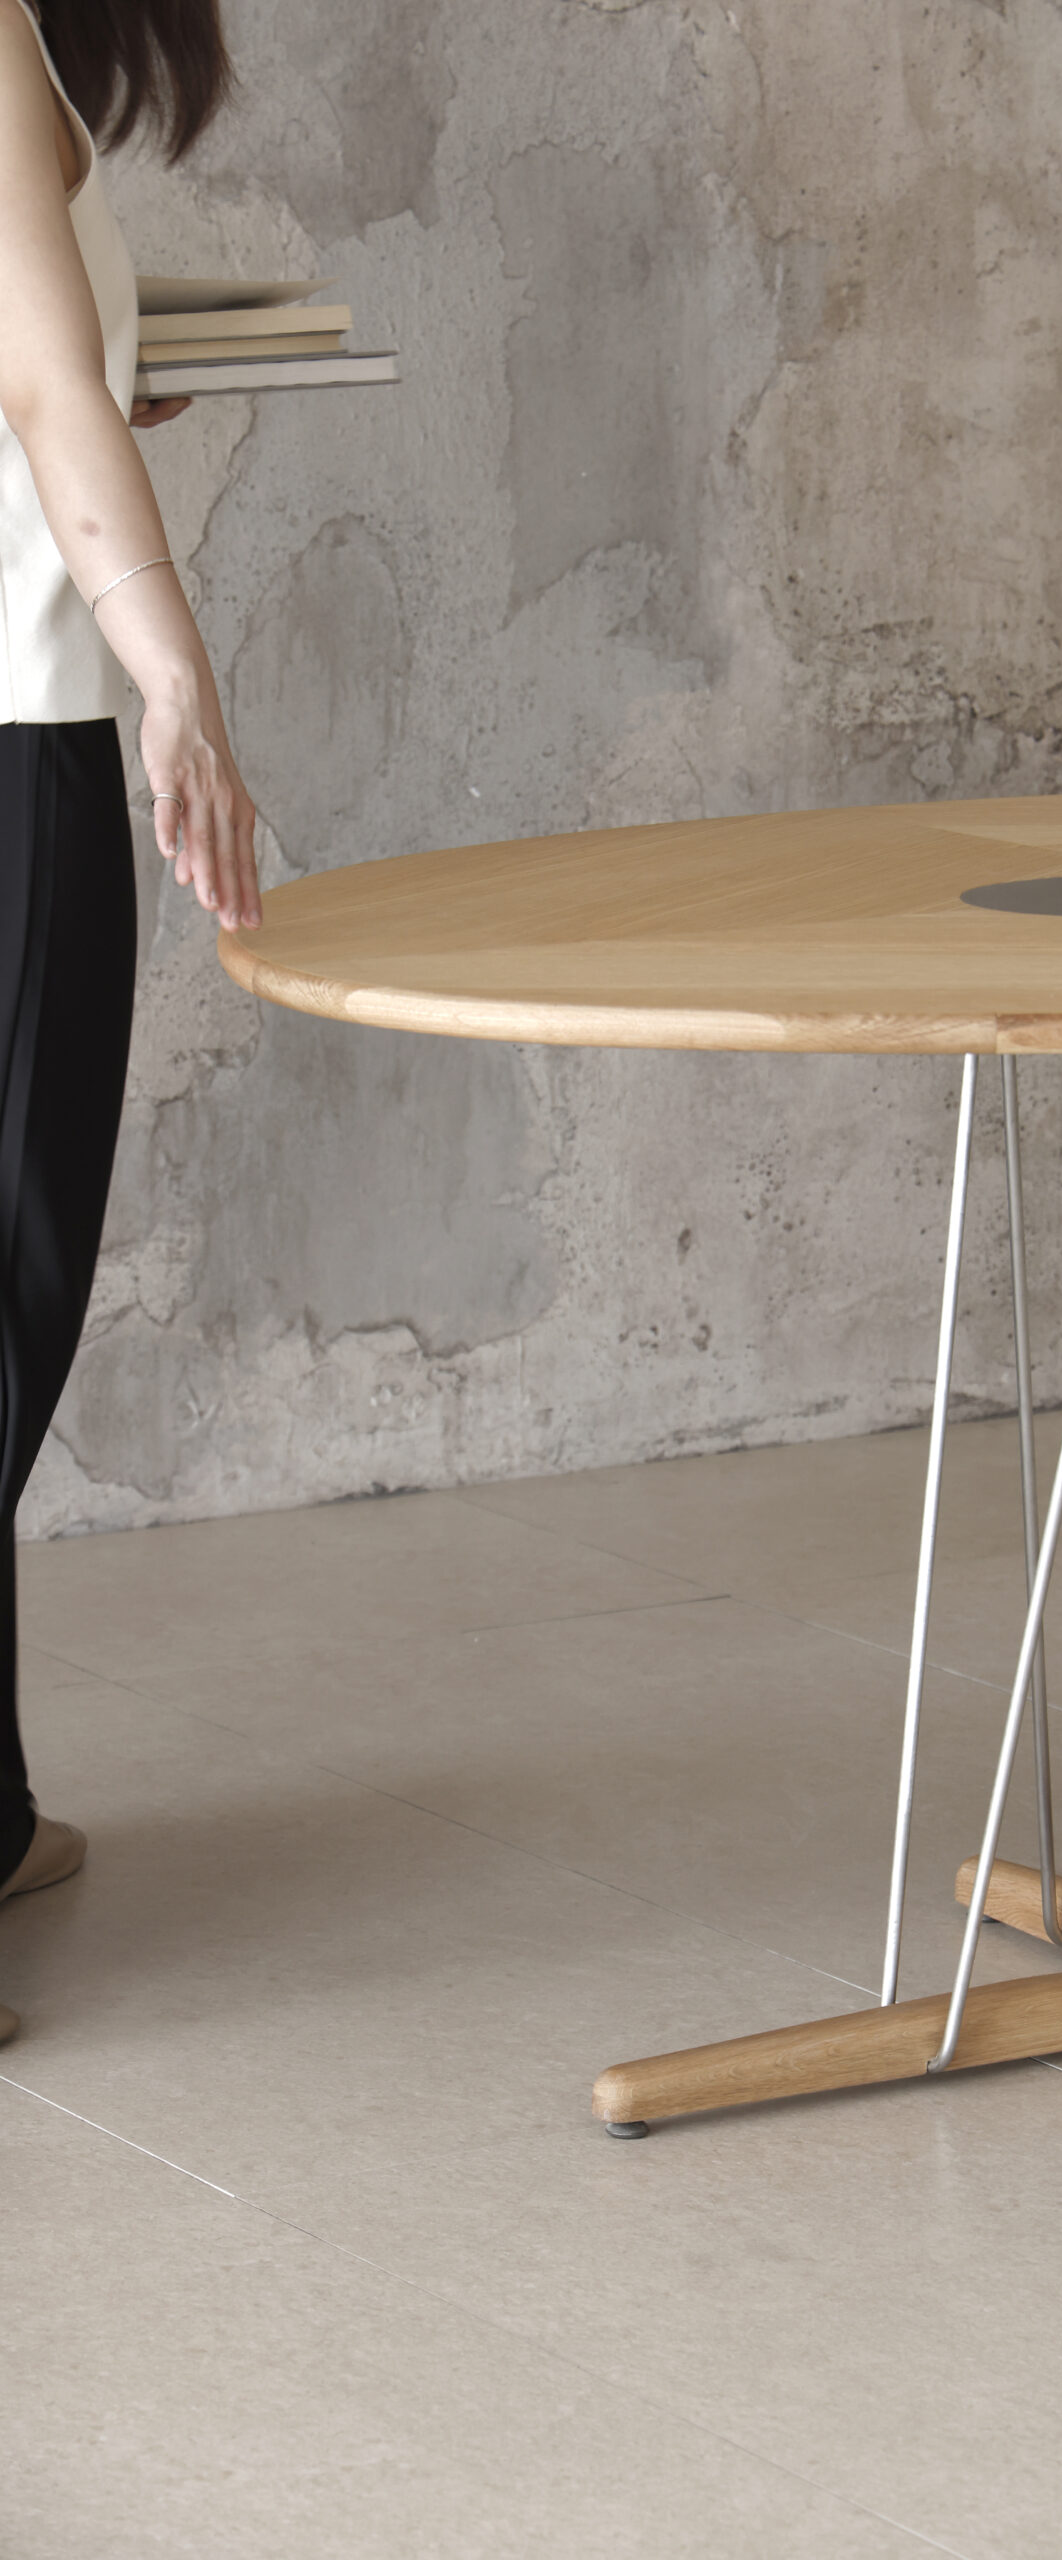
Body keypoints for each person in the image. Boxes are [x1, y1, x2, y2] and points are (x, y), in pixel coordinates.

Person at [0, 0, 260, 2043]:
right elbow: (28, 369)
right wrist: (171, 663)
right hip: (9, 738)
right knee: (2, 1289)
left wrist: (101, 386)